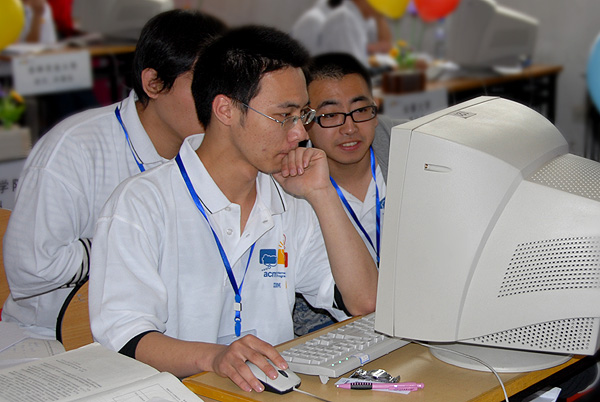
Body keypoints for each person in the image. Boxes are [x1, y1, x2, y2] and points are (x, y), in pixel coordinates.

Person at [88, 25, 378, 392]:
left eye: (301, 115)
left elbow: (365, 300)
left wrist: (322, 194)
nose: (300, 134)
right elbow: (124, 336)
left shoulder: (290, 198)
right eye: (283, 116)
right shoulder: (142, 203)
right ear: (225, 109)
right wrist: (213, 357)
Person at [2, 9, 227, 339]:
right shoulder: (76, 148)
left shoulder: (211, 149)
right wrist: (122, 246)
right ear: (153, 83)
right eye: (203, 84)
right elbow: (31, 269)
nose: (217, 101)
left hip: (161, 337)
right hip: (51, 338)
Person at [293, 52, 404, 335]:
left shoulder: (410, 153)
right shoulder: (292, 182)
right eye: (330, 115)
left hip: (417, 311)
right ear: (305, 122)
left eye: (361, 110)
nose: (350, 128)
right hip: (334, 333)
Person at [318, 0, 393, 67]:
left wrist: (379, 15)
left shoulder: (360, 18)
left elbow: (386, 45)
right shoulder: (344, 19)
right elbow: (354, 69)